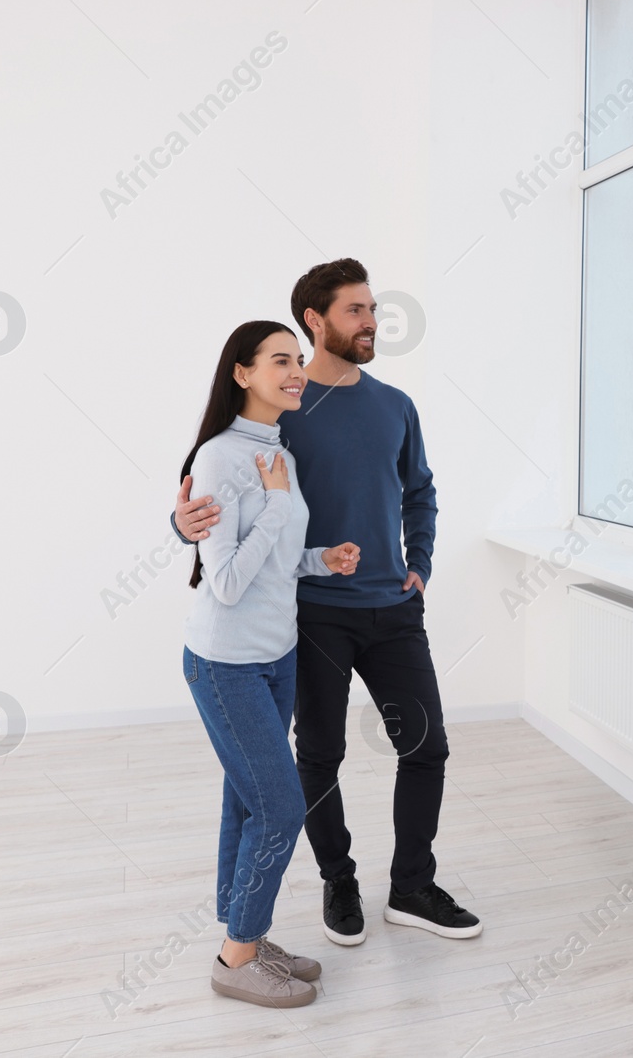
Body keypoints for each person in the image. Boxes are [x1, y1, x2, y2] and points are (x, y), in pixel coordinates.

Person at [173, 259, 482, 947]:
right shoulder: (283, 406)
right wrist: (180, 523)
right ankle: (338, 878)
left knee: (426, 745)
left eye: (373, 309)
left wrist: (420, 564)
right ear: (315, 320)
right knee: (318, 755)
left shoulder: (397, 405)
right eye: (355, 310)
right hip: (311, 615)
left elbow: (420, 490)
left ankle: (411, 885)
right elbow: (218, 491)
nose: (371, 322)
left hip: (392, 608)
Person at [180, 320, 362, 1008]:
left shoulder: (273, 447)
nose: (296, 371)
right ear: (242, 373)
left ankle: (245, 935)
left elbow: (274, 562)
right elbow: (224, 581)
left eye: (299, 360)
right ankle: (235, 960)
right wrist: (282, 506)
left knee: (249, 798)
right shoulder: (224, 457)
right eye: (280, 360)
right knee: (282, 806)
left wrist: (323, 558)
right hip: (226, 663)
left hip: (275, 658)